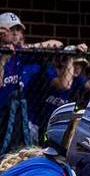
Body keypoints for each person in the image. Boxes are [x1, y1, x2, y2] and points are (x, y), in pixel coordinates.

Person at [0, 12, 62, 155]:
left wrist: (25, 48)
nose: (16, 33)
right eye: (11, 29)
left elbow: (56, 43)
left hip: (15, 118)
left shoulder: (22, 54)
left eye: (18, 29)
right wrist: (2, 60)